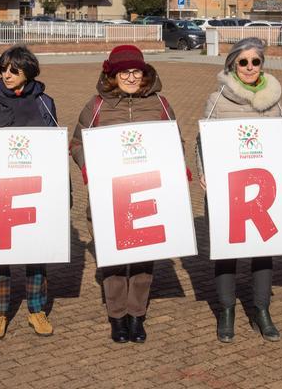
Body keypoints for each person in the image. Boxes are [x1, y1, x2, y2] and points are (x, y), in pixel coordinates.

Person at [70, 44, 180, 344]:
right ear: (112, 74)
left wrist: (178, 170)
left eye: (136, 71)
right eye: (124, 72)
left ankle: (137, 314)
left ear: (144, 74)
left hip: (147, 194)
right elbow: (77, 143)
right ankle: (117, 317)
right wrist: (86, 168)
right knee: (113, 258)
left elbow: (174, 141)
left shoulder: (160, 104)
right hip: (110, 195)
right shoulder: (96, 106)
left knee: (144, 259)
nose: (130, 77)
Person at [0, 45, 58, 341]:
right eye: (3, 69)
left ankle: (36, 310)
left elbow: (55, 149)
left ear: (28, 71)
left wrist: (61, 191)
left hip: (34, 192)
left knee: (35, 253)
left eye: (13, 70)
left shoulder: (45, 103)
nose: (6, 75)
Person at [197, 37, 282, 343]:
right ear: (233, 64)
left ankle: (261, 309)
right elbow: (203, 139)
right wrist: (205, 172)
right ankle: (226, 310)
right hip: (230, 186)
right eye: (243, 62)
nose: (249, 67)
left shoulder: (274, 97)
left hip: (263, 188)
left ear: (262, 64)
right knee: (227, 250)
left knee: (264, 250)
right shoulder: (217, 98)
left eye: (255, 61)